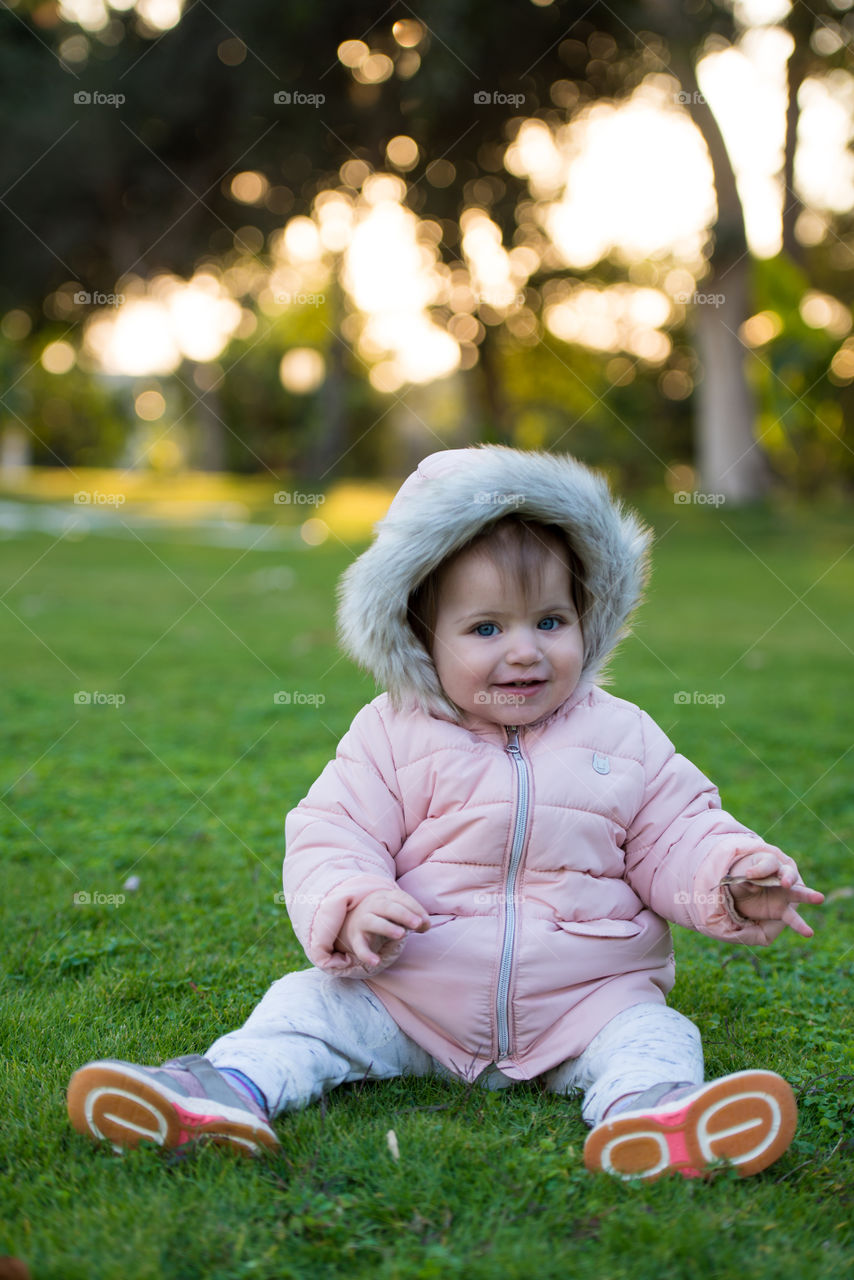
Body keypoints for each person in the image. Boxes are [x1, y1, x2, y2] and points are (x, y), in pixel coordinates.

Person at [67, 445, 823, 1181]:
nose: (525, 652)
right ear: (420, 638)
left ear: (588, 615)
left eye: (551, 622)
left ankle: (654, 1114)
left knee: (655, 1032)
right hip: (409, 994)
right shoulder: (390, 735)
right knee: (305, 1006)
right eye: (487, 629)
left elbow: (676, 833)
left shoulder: (622, 735)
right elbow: (333, 833)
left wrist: (727, 876)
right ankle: (224, 1089)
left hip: (583, 1000)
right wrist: (354, 903)